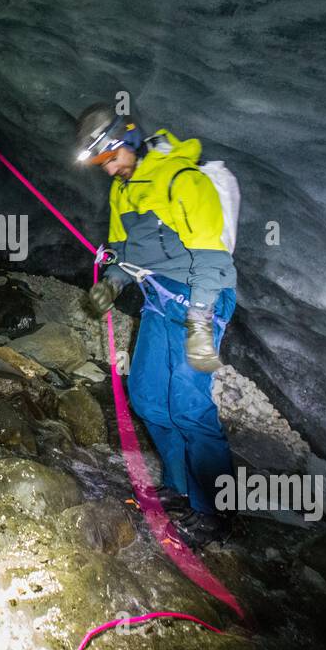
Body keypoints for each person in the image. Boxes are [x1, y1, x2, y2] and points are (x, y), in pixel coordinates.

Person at [75, 101, 238, 542]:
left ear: (126, 140)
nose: (108, 169)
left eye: (110, 158)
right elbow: (126, 256)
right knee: (147, 397)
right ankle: (180, 488)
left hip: (201, 301)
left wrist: (201, 322)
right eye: (100, 163)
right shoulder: (122, 192)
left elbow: (212, 259)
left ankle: (216, 513)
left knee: (189, 406)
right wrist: (110, 283)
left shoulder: (182, 180)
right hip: (159, 304)